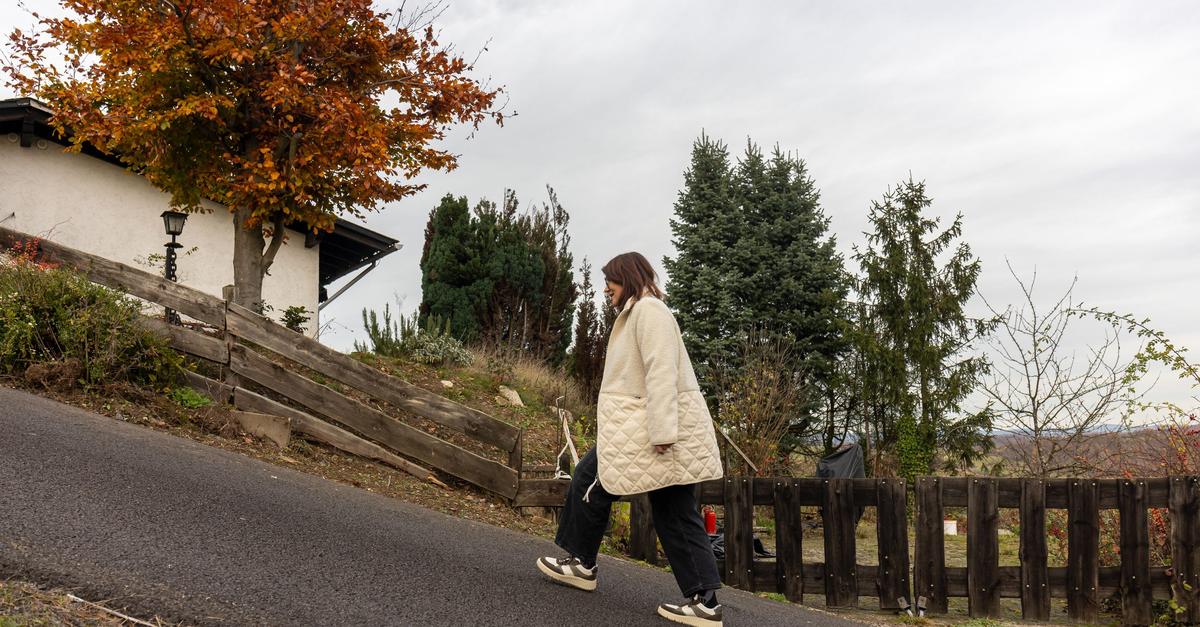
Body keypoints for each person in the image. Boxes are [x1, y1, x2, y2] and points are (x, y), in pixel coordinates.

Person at [537, 252, 725, 626]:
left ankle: (585, 563)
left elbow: (660, 372)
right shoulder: (639, 312)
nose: (606, 287)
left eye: (612, 280)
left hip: (653, 431)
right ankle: (702, 600)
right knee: (669, 510)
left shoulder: (649, 312)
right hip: (640, 429)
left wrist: (663, 432)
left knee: (597, 483)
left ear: (628, 277)